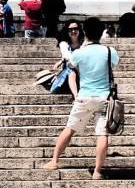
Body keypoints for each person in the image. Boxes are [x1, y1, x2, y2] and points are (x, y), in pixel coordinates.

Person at [43, 17, 120, 180]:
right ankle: (97, 171)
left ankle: (54, 160)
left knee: (70, 129)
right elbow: (114, 64)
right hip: (104, 97)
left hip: (84, 96)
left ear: (85, 32)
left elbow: (71, 66)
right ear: (101, 33)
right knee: (102, 134)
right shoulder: (109, 51)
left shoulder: (79, 53)